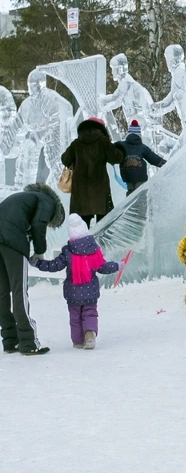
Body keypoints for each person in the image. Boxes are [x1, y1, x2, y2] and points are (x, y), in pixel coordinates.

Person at [30, 214, 121, 349]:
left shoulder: (68, 252)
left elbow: (54, 266)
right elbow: (103, 267)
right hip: (91, 292)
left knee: (75, 317)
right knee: (90, 313)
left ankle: (78, 341)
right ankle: (89, 335)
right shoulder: (94, 251)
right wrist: (118, 265)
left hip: (73, 293)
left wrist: (38, 263)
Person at [0, 183, 64, 355]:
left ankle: (10, 340)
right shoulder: (47, 202)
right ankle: (28, 342)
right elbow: (38, 224)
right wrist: (40, 252)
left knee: (2, 292)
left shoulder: (24, 198)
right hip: (12, 241)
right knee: (19, 290)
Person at [61, 117, 124, 226]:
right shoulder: (103, 141)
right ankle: (101, 242)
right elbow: (116, 158)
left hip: (80, 192)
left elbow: (65, 159)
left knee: (81, 227)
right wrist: (120, 149)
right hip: (100, 189)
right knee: (104, 226)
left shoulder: (76, 143)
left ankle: (82, 243)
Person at [114, 120, 167, 195]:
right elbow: (153, 158)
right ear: (139, 136)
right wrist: (164, 164)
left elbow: (111, 149)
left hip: (127, 175)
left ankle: (131, 204)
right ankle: (141, 205)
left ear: (128, 135)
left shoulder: (121, 145)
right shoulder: (142, 147)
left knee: (130, 193)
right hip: (140, 175)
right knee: (140, 193)